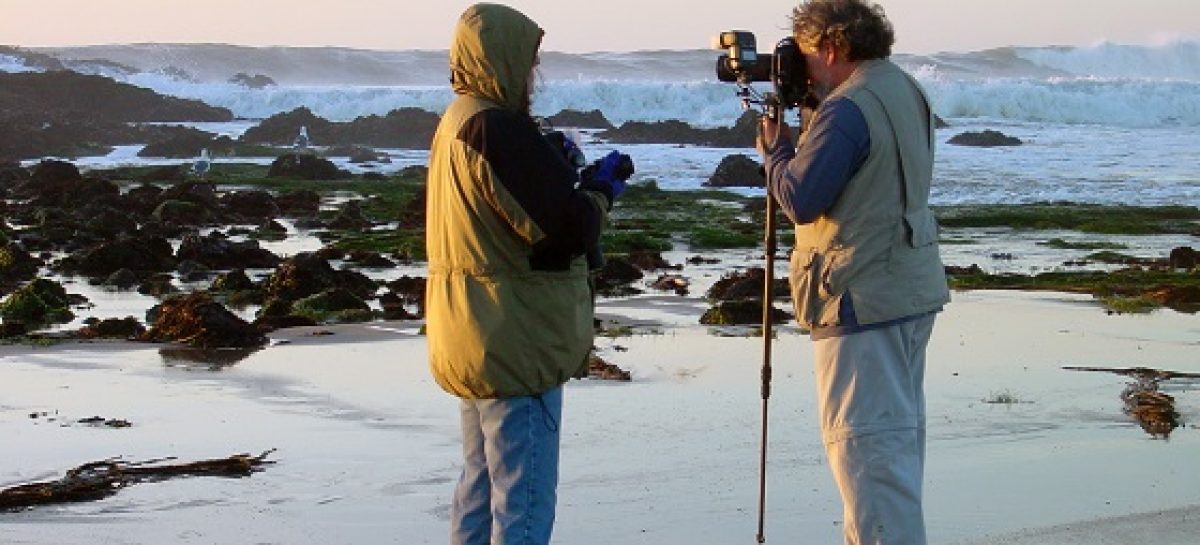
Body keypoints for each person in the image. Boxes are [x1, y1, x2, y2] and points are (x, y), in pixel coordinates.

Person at [424, 4, 631, 545]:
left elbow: (502, 213)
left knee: (478, 486)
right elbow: (561, 228)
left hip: (474, 332)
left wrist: (555, 165)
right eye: (531, 62)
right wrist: (600, 191)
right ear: (505, 59)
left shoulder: (457, 120)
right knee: (523, 500)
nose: (534, 76)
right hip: (515, 340)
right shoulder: (496, 128)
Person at [756, 1, 950, 543]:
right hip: (906, 289)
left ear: (833, 47)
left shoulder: (847, 109)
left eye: (809, 54)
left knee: (870, 465)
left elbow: (801, 197)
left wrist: (775, 154)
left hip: (860, 298)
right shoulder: (903, 88)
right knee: (894, 454)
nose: (804, 69)